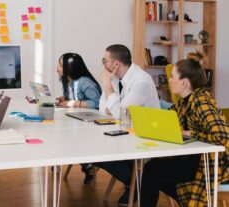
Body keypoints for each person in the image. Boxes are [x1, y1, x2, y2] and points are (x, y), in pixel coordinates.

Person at [140, 52, 229, 207]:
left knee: (151, 170)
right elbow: (167, 118)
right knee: (153, 169)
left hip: (213, 163)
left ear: (184, 83)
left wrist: (193, 134)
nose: (169, 80)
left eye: (173, 76)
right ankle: (189, 201)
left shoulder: (201, 102)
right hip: (196, 158)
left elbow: (222, 135)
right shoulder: (184, 102)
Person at [94, 44, 160, 206]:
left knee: (106, 156)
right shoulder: (117, 78)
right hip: (126, 131)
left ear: (116, 64)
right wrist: (115, 106)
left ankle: (137, 184)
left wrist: (108, 87)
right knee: (96, 154)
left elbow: (119, 113)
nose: (103, 64)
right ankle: (133, 182)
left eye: (105, 60)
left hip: (145, 136)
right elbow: (102, 106)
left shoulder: (141, 81)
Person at [56, 53, 102, 184]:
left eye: (60, 65)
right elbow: (72, 98)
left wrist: (72, 103)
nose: (57, 68)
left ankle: (88, 165)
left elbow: (97, 103)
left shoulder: (84, 82)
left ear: (69, 68)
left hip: (90, 124)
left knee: (69, 138)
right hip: (76, 120)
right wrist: (65, 99)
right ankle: (87, 165)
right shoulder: (66, 80)